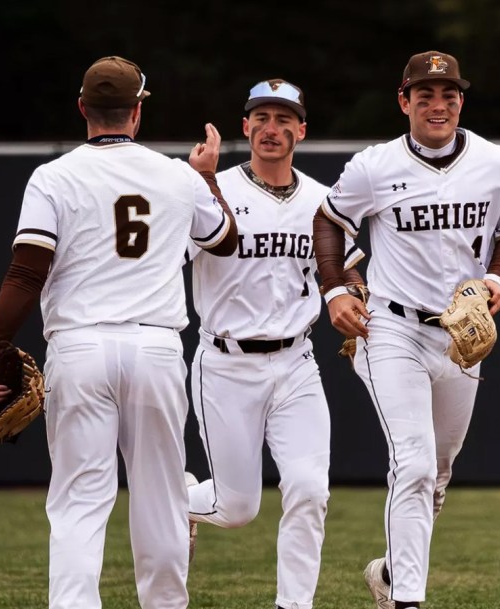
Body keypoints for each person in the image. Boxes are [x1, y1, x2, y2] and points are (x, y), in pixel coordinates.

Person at [0, 56, 237, 609]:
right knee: (161, 498)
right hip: (156, 348)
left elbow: (25, 274)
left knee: (79, 503)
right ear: (137, 112)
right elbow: (225, 240)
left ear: (82, 108)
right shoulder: (178, 176)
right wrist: (207, 175)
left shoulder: (53, 176)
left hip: (80, 346)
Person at [312, 51, 500, 609]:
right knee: (412, 463)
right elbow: (329, 220)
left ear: (461, 101)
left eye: (448, 95)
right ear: (404, 101)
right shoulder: (375, 166)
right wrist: (336, 289)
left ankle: (392, 572)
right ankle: (408, 601)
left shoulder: (495, 162)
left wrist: (498, 276)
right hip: (392, 328)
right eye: (425, 95)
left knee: (436, 473)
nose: (438, 105)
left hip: (462, 336)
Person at [184, 79, 362, 609]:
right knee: (237, 509)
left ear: (301, 131)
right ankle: (181, 499)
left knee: (310, 490)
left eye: (284, 119)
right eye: (261, 117)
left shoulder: (321, 200)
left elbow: (348, 271)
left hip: (296, 362)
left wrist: (357, 299)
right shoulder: (212, 189)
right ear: (245, 127)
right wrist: (200, 181)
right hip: (225, 363)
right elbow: (167, 259)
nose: (271, 128)